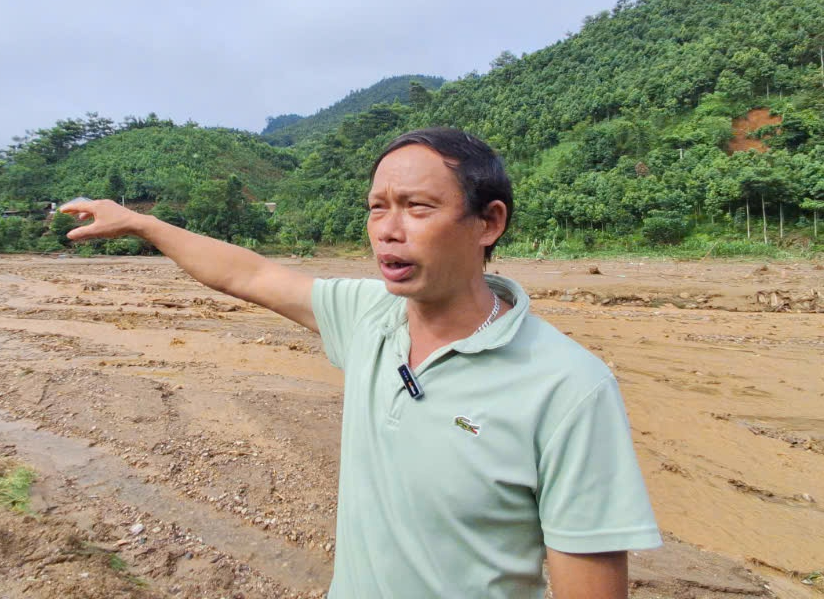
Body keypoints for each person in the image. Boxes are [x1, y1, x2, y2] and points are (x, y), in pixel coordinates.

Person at [61, 127, 660, 598]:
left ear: (489, 221)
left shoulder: (569, 386)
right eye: (378, 208)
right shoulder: (370, 314)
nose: (388, 231)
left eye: (417, 207)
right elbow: (249, 273)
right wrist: (142, 224)